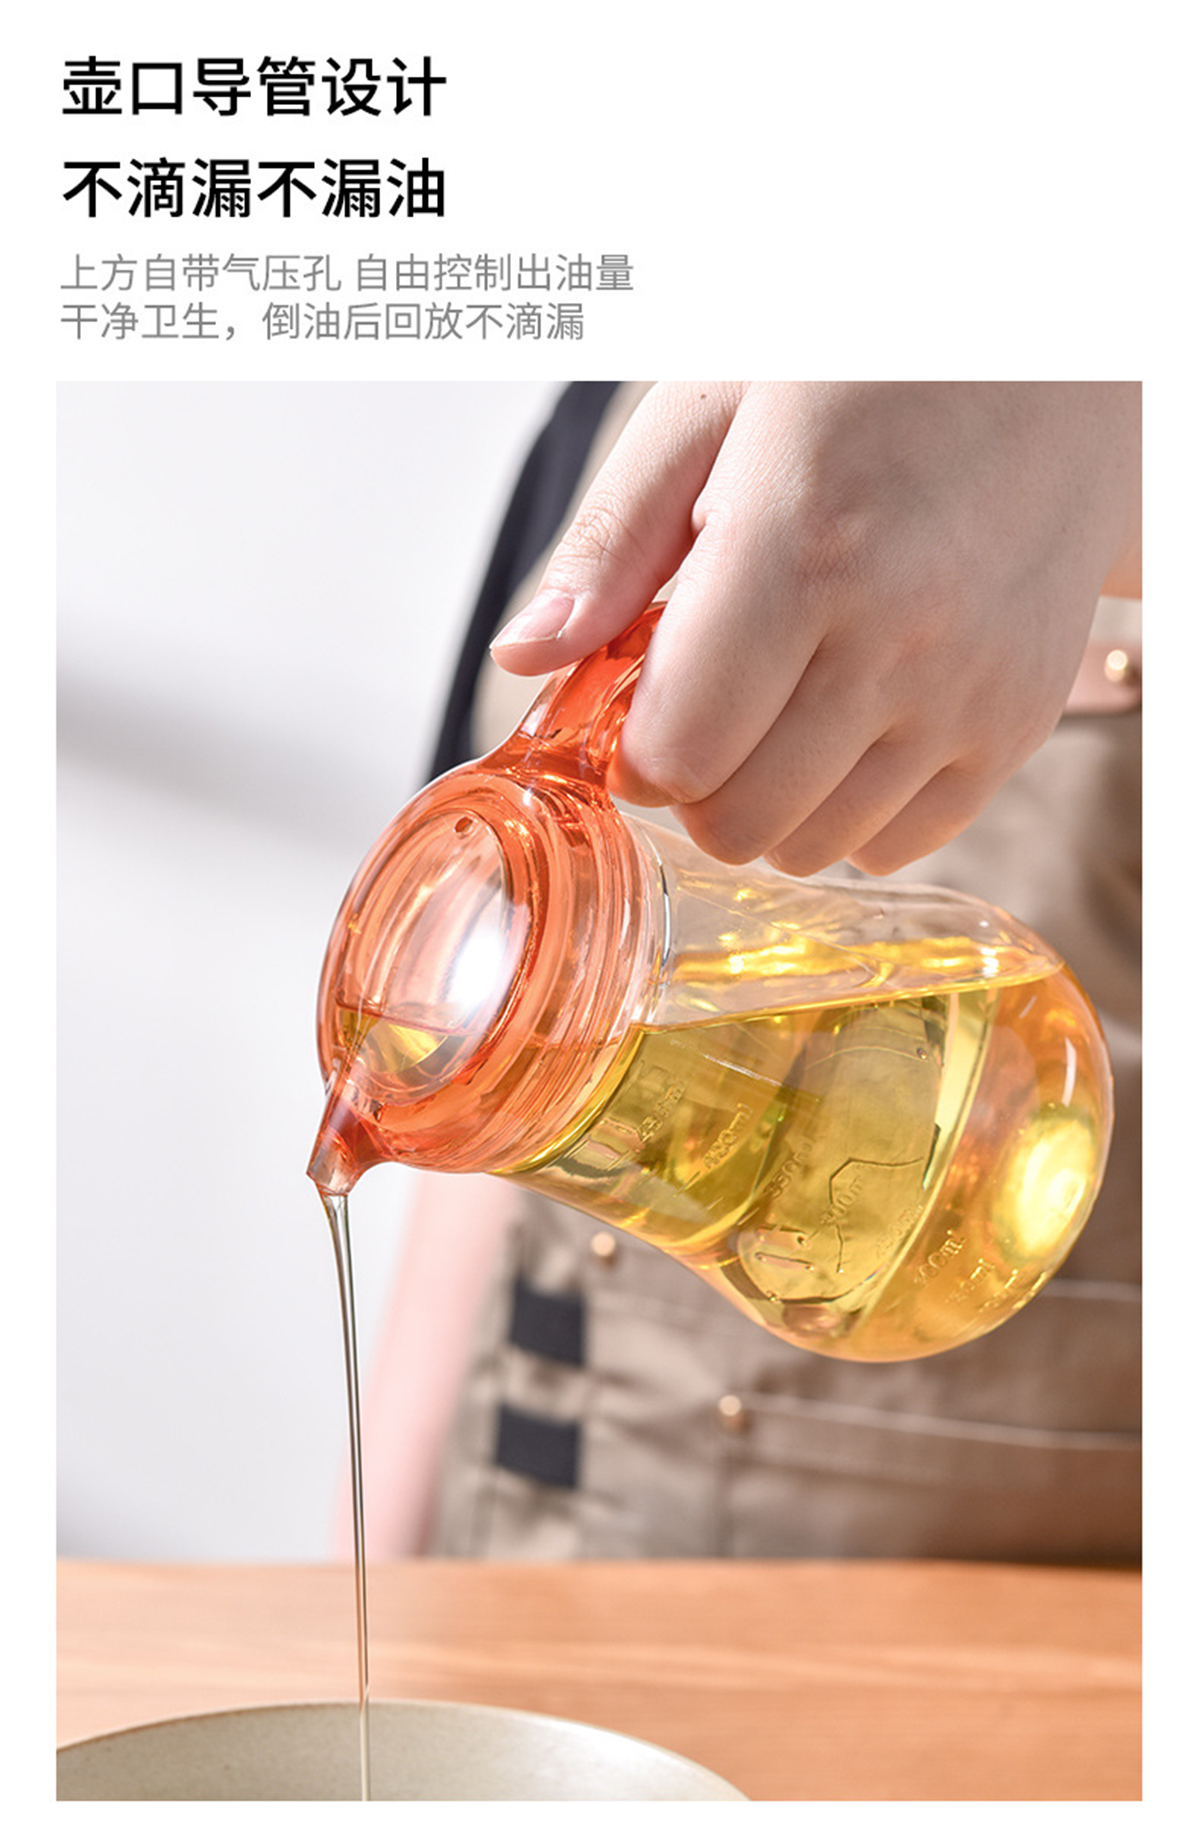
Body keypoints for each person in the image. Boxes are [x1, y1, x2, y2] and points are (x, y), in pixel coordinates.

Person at [345, 381, 1141, 1565]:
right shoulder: (614, 429)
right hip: (529, 1552)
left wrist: (1096, 415)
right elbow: (477, 1124)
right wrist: (370, 1572)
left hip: (1017, 1610)